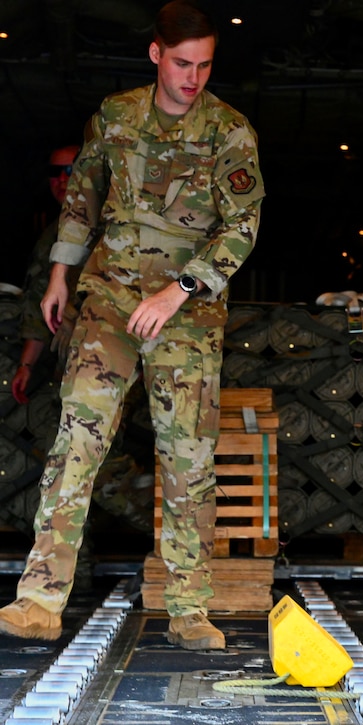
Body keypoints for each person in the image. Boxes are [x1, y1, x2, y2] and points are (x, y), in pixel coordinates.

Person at [0, 0, 264, 651]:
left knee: (187, 458)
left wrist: (179, 290)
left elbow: (243, 227)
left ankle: (189, 607)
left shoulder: (230, 132)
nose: (192, 77)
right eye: (181, 63)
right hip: (111, 301)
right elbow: (84, 191)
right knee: (76, 439)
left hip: (189, 315)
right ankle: (38, 598)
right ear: (156, 54)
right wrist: (61, 270)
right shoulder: (116, 116)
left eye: (204, 65)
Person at [11, 145, 82, 405]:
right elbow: (41, 301)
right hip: (72, 359)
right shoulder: (53, 233)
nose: (62, 179)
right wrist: (26, 366)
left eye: (69, 170)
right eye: (55, 172)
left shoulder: (115, 224)